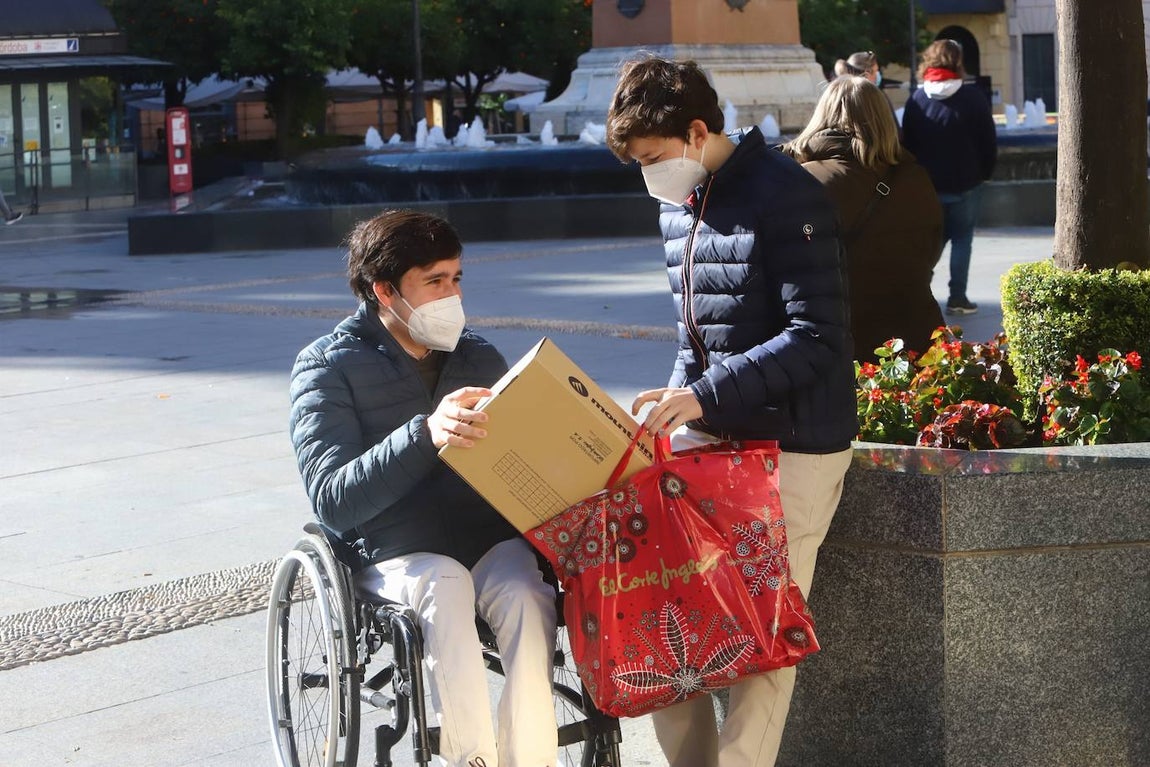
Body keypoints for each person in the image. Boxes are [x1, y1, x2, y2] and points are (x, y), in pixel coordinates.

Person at [605, 56, 858, 767]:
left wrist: (703, 394)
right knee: (664, 613)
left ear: (697, 131)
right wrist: (674, 397)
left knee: (766, 633)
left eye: (652, 158)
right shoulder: (678, 202)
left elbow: (818, 336)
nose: (648, 175)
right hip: (714, 433)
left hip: (794, 444)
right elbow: (698, 334)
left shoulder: (788, 194)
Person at [289, 209, 558, 767]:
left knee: (528, 595)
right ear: (385, 291)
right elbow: (333, 499)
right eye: (434, 281)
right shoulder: (326, 367)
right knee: (445, 583)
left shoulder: (477, 355)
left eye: (456, 278)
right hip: (395, 551)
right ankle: (472, 759)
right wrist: (424, 435)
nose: (451, 295)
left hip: (484, 538)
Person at [785, 76, 944, 360]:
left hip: (841, 339)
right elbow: (931, 249)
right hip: (914, 334)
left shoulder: (803, 181)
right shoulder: (916, 178)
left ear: (823, 115)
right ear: (884, 119)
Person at [901, 39, 997, 316]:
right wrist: (985, 173)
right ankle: (957, 298)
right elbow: (988, 142)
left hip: (928, 186)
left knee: (933, 240)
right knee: (962, 240)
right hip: (967, 183)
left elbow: (908, 146)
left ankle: (917, 291)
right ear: (958, 62)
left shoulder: (917, 100)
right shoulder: (974, 98)